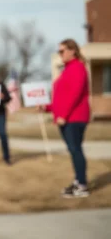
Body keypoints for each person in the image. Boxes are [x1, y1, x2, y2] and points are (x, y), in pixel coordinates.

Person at [39, 39, 90, 198]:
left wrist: (63, 115)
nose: (60, 54)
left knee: (76, 150)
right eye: (59, 51)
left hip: (74, 118)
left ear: (72, 51)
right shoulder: (67, 69)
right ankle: (78, 181)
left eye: (62, 51)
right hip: (66, 117)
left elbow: (74, 95)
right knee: (73, 150)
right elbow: (61, 98)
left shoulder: (78, 68)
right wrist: (47, 107)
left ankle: (82, 186)